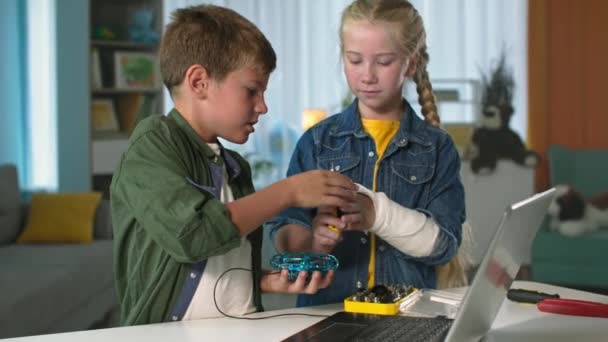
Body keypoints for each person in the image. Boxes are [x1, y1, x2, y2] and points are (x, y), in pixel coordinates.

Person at [110, 4, 357, 325]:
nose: (263, 106)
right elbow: (195, 236)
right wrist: (288, 192)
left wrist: (265, 281)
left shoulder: (236, 167)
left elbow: (218, 267)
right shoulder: (153, 144)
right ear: (199, 82)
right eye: (252, 90)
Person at [266, 0, 466, 307]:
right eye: (354, 60)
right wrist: (313, 243)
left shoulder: (438, 147)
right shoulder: (317, 142)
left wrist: (376, 214)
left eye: (383, 62)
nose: (367, 75)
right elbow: (285, 228)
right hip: (327, 315)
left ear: (410, 64)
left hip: (406, 318)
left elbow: (443, 246)